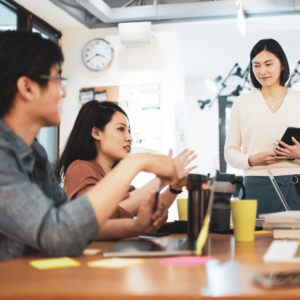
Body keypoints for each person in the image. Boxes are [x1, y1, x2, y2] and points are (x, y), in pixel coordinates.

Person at [0, 30, 180, 262]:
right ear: (27, 87)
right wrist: (137, 162)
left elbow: (71, 224)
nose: (63, 91)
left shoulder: (35, 152)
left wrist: (136, 227)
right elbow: (57, 234)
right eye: (57, 80)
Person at [55, 100, 197, 240]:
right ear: (96, 133)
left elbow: (147, 208)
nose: (129, 138)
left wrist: (175, 187)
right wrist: (163, 178)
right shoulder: (80, 168)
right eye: (121, 129)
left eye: (128, 131)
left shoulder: (115, 177)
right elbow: (94, 217)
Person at [225, 38, 300, 216]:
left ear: (282, 65)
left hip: (296, 185)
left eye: (268, 64)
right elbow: (230, 152)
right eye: (256, 65)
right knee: (255, 242)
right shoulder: (242, 103)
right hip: (255, 185)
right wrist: (251, 160)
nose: (262, 71)